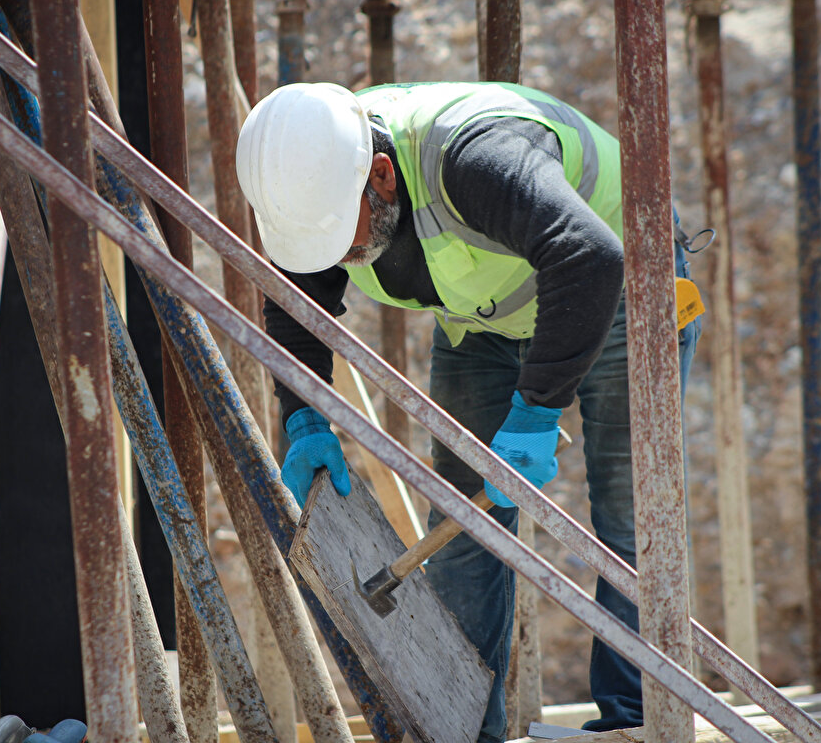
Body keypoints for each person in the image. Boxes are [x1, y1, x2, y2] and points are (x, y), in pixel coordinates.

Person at [235, 81, 702, 741]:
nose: (337, 257)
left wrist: (539, 409)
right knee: (464, 523)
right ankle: (459, 731)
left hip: (622, 284)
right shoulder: (318, 184)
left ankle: (638, 724)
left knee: (632, 521)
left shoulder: (474, 157)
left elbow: (589, 255)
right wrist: (305, 414)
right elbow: (294, 305)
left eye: (343, 236)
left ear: (382, 175)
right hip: (487, 320)